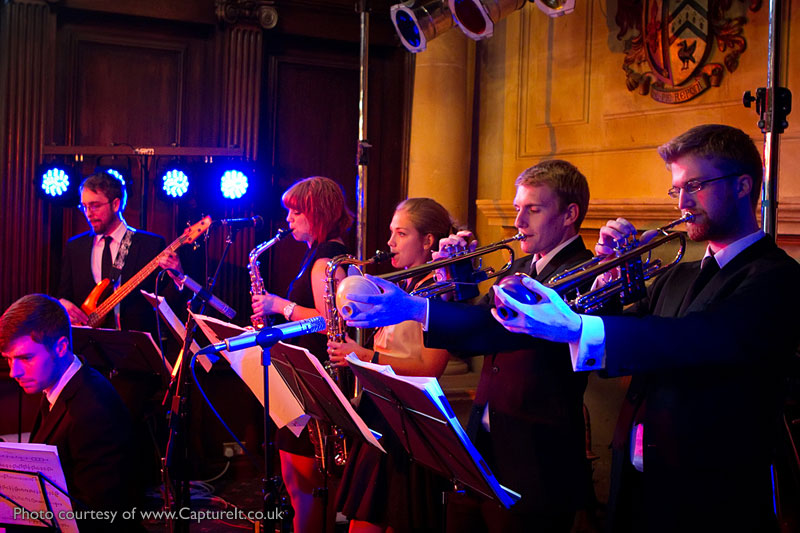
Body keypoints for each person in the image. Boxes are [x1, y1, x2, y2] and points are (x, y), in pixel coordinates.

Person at [491, 125, 800, 532]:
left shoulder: (777, 277)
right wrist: (608, 280)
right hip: (640, 483)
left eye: (696, 185)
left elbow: (696, 339)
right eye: (677, 190)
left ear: (743, 186)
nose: (683, 203)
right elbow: (633, 334)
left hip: (713, 497)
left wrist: (576, 326)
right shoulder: (679, 274)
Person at [342, 160, 595, 532]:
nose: (519, 221)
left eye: (533, 210)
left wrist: (414, 306)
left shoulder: (583, 272)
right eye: (516, 210)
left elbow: (499, 332)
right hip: (486, 447)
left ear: (570, 214)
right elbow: (471, 334)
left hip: (538, 458)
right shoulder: (523, 267)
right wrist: (457, 276)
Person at [327, 198, 453, 532]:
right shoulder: (407, 286)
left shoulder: (439, 294)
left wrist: (364, 356)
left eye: (401, 233)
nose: (390, 243)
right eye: (390, 233)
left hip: (410, 426)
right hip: (383, 414)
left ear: (428, 241)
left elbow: (430, 367)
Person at [251, 175, 353, 533]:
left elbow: (331, 323)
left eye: (296, 212)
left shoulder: (326, 261)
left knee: (304, 487)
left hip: (311, 385)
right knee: (303, 487)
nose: (289, 219)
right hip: (307, 380)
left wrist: (280, 305)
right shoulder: (324, 256)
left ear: (317, 212)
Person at [0, 294, 139, 532]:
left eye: (25, 358)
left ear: (62, 347)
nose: (14, 372)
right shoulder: (60, 386)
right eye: (9, 360)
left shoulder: (92, 411)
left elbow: (102, 518)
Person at [56, 171, 183, 335]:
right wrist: (62, 304)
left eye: (94, 206)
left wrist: (178, 277)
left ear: (115, 205)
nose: (88, 214)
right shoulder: (75, 247)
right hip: (87, 347)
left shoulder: (150, 245)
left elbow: (171, 304)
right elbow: (63, 295)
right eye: (84, 207)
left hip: (133, 347)